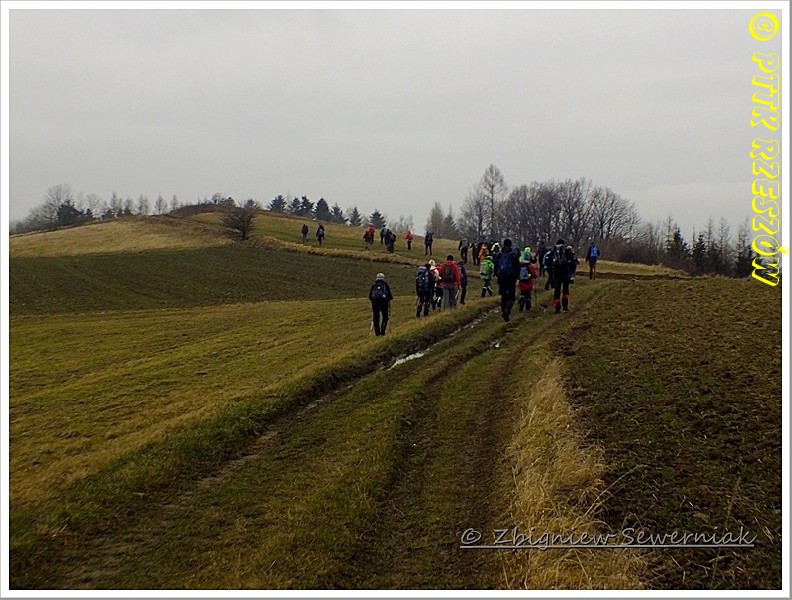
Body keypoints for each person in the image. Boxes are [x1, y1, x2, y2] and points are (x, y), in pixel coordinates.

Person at [549, 239, 578, 314]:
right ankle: (565, 306)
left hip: (556, 274)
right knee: (565, 290)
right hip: (565, 274)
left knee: (557, 291)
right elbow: (573, 263)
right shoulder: (567, 252)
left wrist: (551, 274)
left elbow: (548, 263)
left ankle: (557, 308)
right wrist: (571, 275)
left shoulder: (553, 252)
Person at [495, 238, 520, 322]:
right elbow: (517, 267)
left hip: (501, 278)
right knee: (511, 296)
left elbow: (495, 266)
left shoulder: (499, 254)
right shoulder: (513, 255)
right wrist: (517, 277)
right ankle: (507, 309)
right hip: (511, 278)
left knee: (503, 296)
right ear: (511, 245)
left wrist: (497, 275)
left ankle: (503, 310)